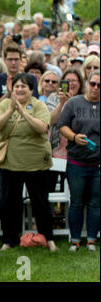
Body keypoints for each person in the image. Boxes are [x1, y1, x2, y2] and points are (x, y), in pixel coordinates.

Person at [0, 73, 58, 252]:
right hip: (10, 162)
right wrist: (10, 111)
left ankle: (48, 237)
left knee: (41, 203)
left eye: (24, 86)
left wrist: (23, 112)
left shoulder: (38, 105)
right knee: (9, 204)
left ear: (31, 90)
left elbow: (43, 128)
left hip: (36, 163)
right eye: (17, 86)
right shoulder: (5, 104)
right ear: (12, 88)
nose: (20, 89)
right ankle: (9, 240)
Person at [57, 70, 100, 252]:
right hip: (76, 162)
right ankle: (75, 239)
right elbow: (62, 125)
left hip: (97, 163)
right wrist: (74, 137)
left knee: (96, 202)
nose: (96, 88)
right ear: (87, 83)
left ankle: (91, 239)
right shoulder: (74, 103)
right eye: (93, 84)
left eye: (100, 85)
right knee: (76, 202)